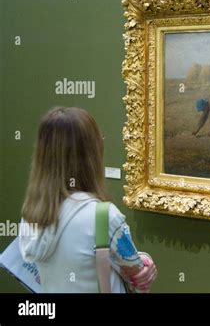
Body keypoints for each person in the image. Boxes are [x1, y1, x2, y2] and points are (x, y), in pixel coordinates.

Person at [18, 107, 157, 293]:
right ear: (90, 153)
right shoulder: (103, 217)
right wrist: (146, 261)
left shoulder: (31, 215)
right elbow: (140, 283)